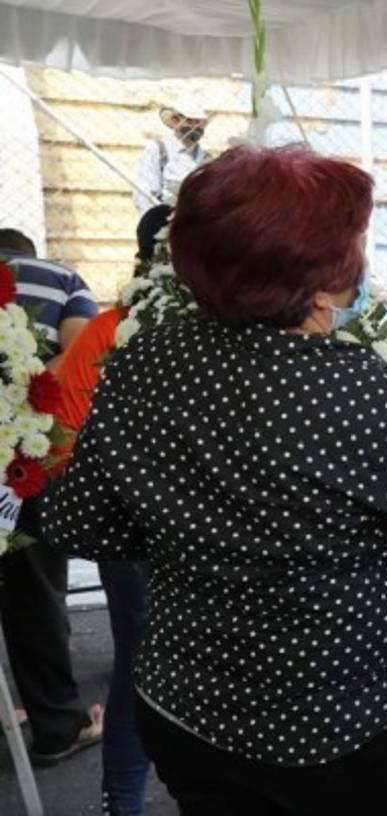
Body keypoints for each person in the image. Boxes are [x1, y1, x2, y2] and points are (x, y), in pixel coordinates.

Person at [44, 146, 387, 815]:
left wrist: (195, 538)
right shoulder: (361, 390)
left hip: (190, 709)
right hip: (336, 726)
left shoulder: (145, 362)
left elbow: (81, 520)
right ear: (318, 272)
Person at [51, 204, 173, 815]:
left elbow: (63, 445)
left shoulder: (114, 329)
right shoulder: (108, 331)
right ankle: (123, 799)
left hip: (140, 535)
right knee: (144, 662)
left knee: (144, 662)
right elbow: (62, 440)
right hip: (138, 541)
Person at [0, 228, 103, 768]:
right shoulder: (61, 277)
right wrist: (24, 418)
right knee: (32, 587)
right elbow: (79, 355)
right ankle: (56, 727)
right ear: (27, 253)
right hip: (26, 457)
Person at [133, 97, 210, 215]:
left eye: (198, 122)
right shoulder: (158, 150)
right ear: (175, 121)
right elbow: (144, 194)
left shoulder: (206, 159)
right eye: (189, 121)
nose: (195, 127)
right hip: (164, 222)